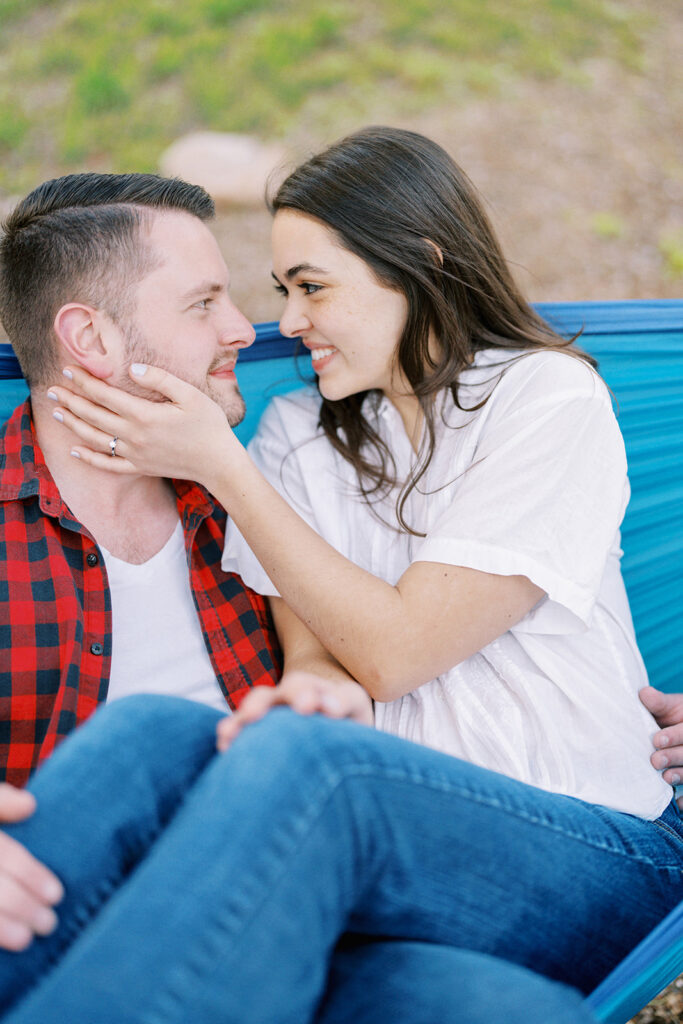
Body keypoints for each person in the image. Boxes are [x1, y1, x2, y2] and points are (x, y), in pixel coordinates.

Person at [41, 126, 683, 1017]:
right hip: (385, 880)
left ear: (415, 266)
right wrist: (313, 688)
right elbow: (318, 659)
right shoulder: (296, 432)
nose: (287, 322)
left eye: (311, 287)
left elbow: (397, 652)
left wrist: (220, 466)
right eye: (283, 292)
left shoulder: (544, 398)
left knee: (324, 769)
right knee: (149, 738)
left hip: (595, 846)